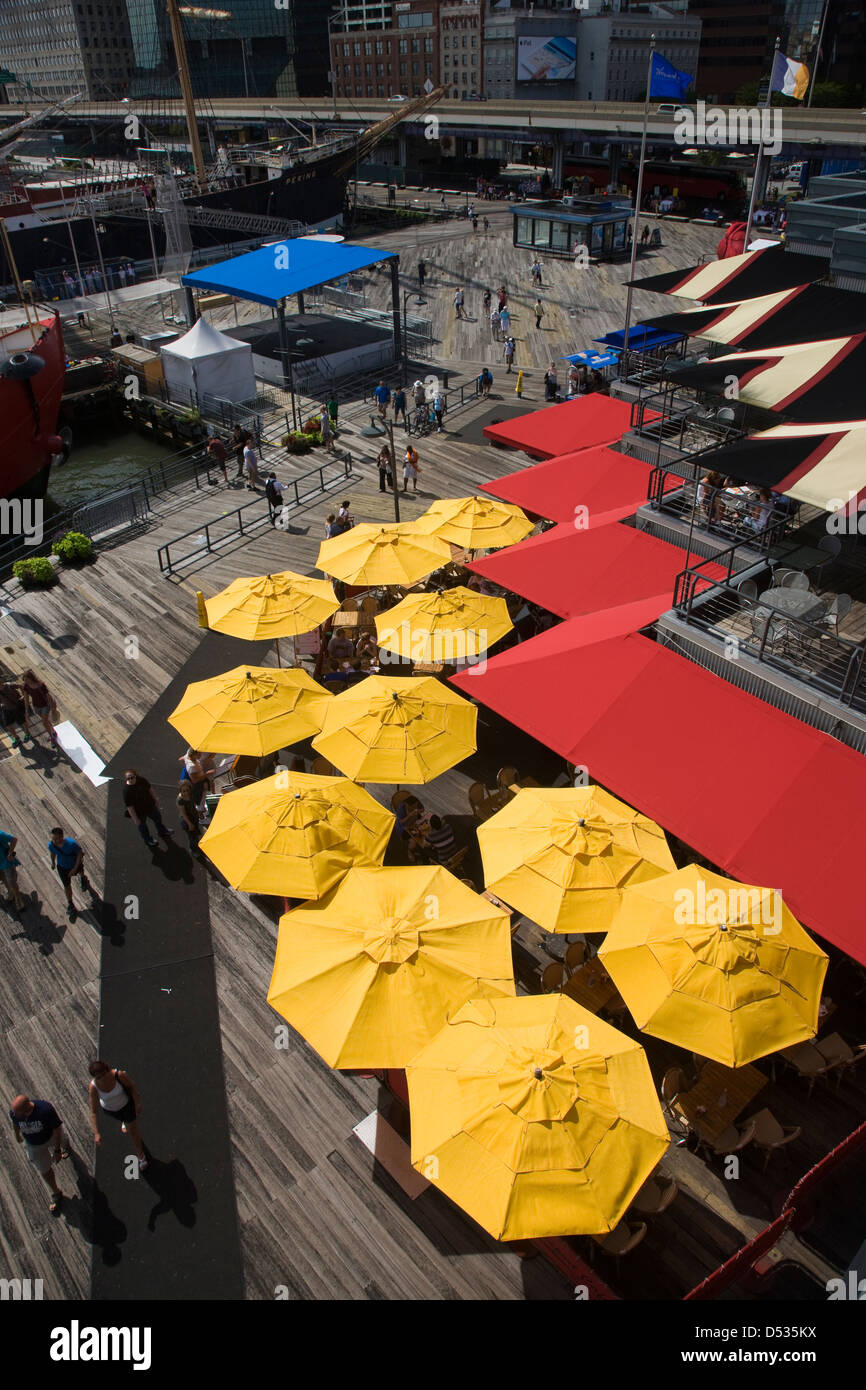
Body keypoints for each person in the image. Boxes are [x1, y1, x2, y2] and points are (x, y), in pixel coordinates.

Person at [9, 1094, 69, 1213]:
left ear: (27, 1110)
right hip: (34, 1144)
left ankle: (66, 1148)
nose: (14, 1115)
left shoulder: (45, 1110)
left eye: (17, 1112)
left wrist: (57, 1150)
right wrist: (17, 1135)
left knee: (64, 1140)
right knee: (43, 1169)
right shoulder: (15, 1114)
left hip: (51, 1136)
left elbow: (57, 1129)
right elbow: (15, 1123)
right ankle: (56, 1192)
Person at [88, 1060, 147, 1171]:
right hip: (112, 1111)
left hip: (127, 1106)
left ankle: (141, 1156)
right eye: (99, 1077)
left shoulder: (118, 1075)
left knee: (133, 1131)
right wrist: (96, 1133)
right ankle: (124, 1121)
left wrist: (137, 1102)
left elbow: (132, 1086)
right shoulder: (93, 1087)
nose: (103, 1078)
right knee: (127, 1124)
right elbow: (93, 1111)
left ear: (107, 1070)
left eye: (104, 1074)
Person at [49, 826, 94, 921]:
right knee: (66, 886)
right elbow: (52, 853)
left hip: (74, 865)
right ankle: (70, 903)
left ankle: (83, 878)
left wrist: (74, 868)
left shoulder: (71, 844)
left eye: (56, 838)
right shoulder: (52, 845)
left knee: (81, 871)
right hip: (62, 868)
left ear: (62, 837)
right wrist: (53, 862)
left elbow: (79, 854)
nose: (55, 841)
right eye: (53, 839)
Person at [123, 769, 172, 850]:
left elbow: (150, 789)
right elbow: (129, 807)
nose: (131, 780)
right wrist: (135, 819)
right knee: (143, 827)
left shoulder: (141, 780)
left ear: (135, 776)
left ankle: (162, 831)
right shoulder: (127, 791)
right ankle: (148, 840)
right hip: (139, 813)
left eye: (132, 777)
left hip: (150, 806)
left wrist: (155, 799)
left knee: (158, 819)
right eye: (128, 778)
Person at [21, 670, 58, 745]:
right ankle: (53, 731)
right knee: (46, 721)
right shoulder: (26, 686)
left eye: (27, 679)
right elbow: (26, 699)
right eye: (25, 680)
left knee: (44, 722)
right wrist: (27, 710)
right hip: (36, 706)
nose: (26, 681)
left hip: (45, 705)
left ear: (31, 678)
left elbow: (48, 695)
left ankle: (52, 737)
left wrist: (52, 706)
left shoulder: (40, 685)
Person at [0, 679, 29, 749]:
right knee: (7, 725)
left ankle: (27, 733)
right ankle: (16, 737)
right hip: (6, 709)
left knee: (22, 721)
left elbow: (21, 686)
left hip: (15, 707)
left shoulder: (9, 685)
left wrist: (23, 696)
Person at [0, 828, 24, 911]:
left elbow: (14, 839)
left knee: (12, 882)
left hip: (5, 862)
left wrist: (10, 853)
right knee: (3, 878)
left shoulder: (0, 834)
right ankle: (10, 892)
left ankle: (18, 899)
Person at [177, 780, 202, 854]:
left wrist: (199, 813)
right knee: (191, 837)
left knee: (196, 835)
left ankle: (197, 847)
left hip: (194, 818)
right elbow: (183, 813)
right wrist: (189, 824)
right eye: (184, 791)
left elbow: (194, 806)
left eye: (187, 790)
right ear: (181, 791)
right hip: (187, 821)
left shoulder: (191, 796)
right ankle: (193, 850)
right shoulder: (181, 800)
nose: (186, 793)